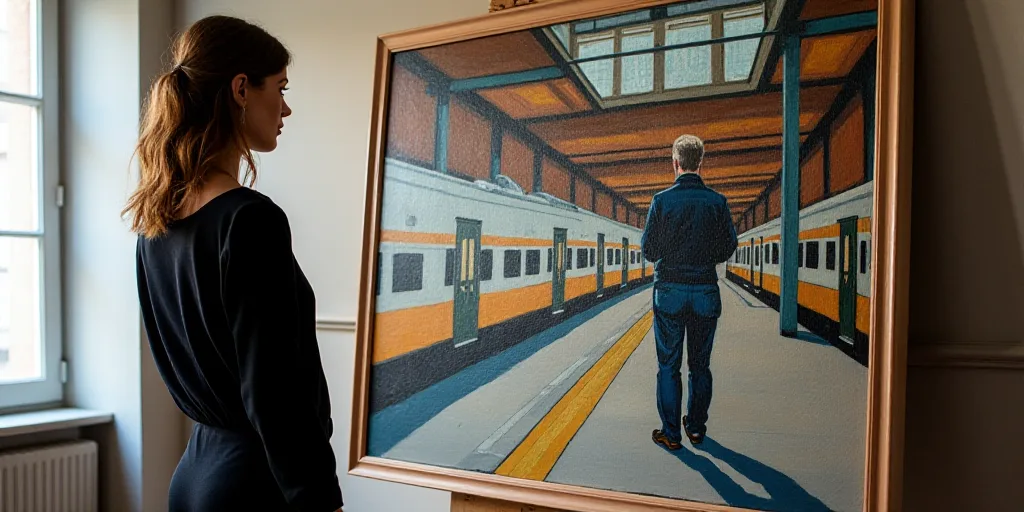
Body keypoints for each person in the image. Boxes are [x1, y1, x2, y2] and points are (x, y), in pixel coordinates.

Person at [122, 15, 344, 511]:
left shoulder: (155, 222)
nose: (286, 108)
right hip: (258, 486)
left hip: (196, 476)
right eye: (280, 88)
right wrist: (319, 500)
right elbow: (274, 394)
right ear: (241, 88)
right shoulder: (250, 219)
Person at [641, 134, 738, 450]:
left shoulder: (661, 201)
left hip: (669, 292)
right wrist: (705, 256)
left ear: (675, 163)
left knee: (669, 366)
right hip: (705, 294)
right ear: (701, 162)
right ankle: (696, 429)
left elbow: (648, 250)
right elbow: (728, 247)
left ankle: (671, 435)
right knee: (700, 365)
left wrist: (671, 252)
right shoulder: (717, 202)